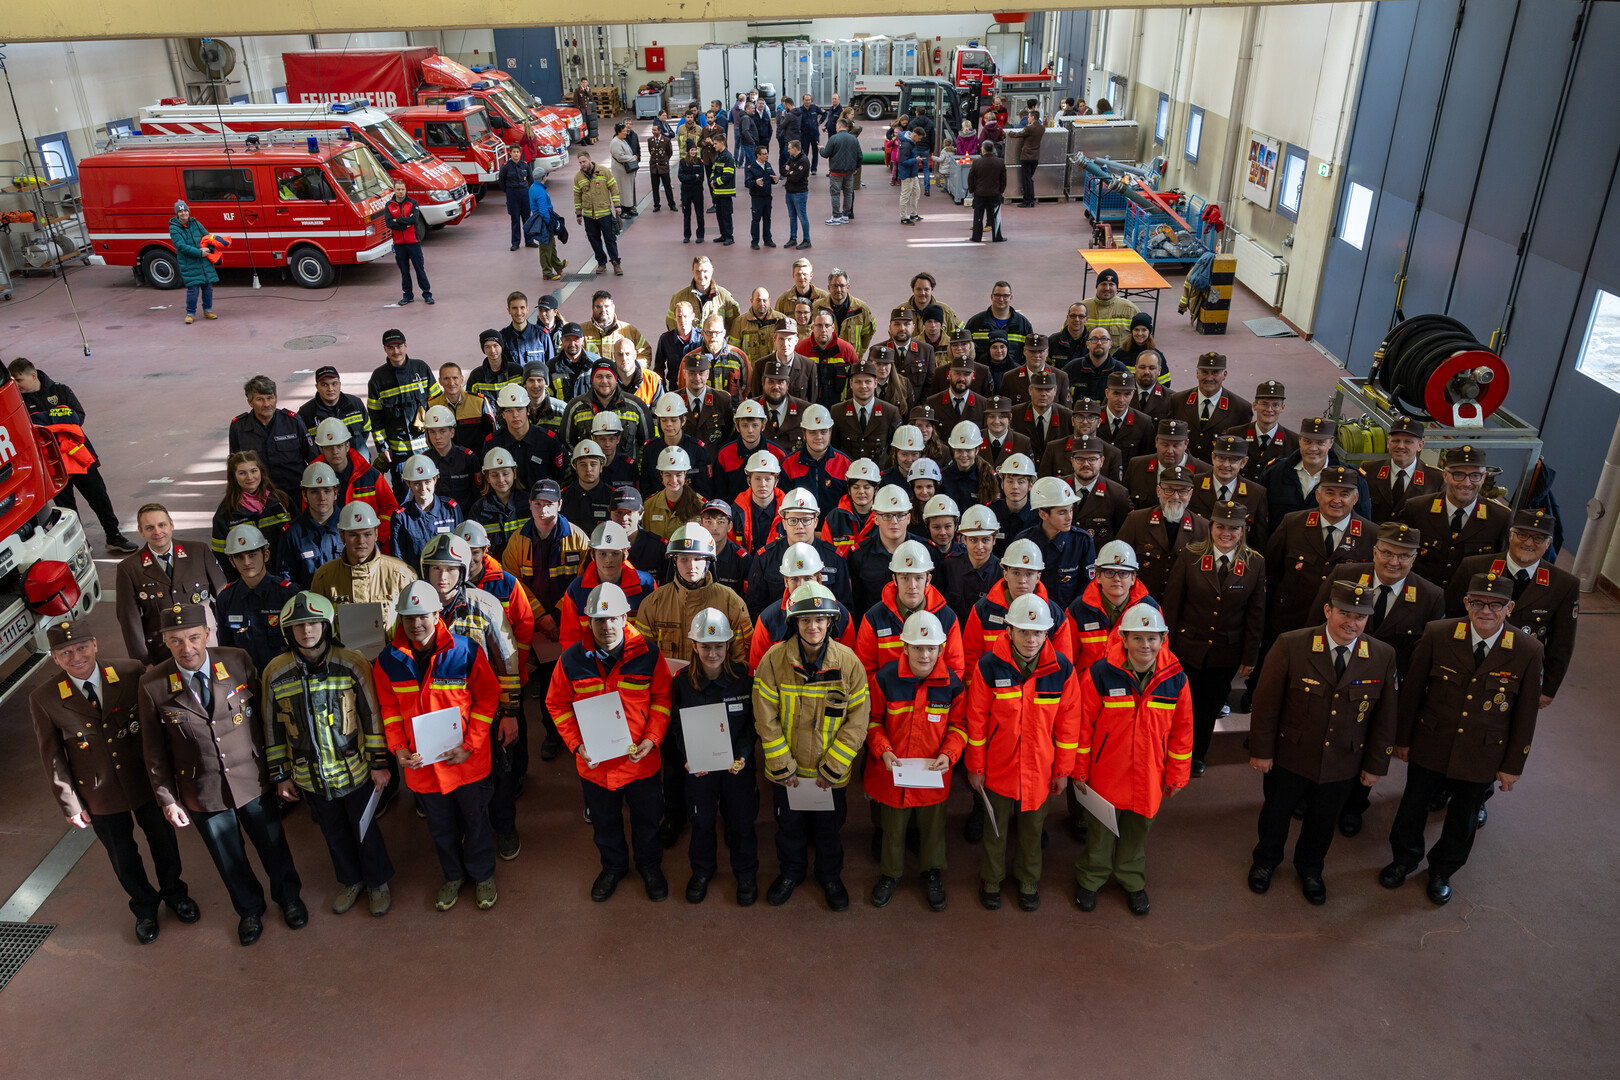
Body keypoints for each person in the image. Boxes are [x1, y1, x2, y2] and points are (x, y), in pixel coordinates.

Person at [139, 604, 304, 946]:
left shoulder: (235, 660)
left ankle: (289, 898)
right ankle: (248, 910)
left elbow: (266, 717)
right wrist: (167, 799)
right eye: (176, 641)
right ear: (165, 642)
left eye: (194, 637)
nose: (187, 648)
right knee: (228, 857)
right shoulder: (153, 685)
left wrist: (281, 769)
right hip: (203, 789)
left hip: (252, 777)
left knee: (273, 845)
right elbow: (153, 750)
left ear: (207, 635)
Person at [31, 618, 196, 944]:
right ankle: (144, 907)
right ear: (54, 658)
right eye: (65, 652)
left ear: (94, 644)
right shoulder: (45, 698)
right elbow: (52, 756)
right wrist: (69, 803)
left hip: (143, 781)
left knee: (162, 840)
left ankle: (176, 893)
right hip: (99, 792)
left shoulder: (130, 671)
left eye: (81, 647)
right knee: (122, 855)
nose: (75, 656)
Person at [1382, 571, 1543, 905]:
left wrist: (1513, 765)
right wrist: (1404, 738)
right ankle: (1403, 860)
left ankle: (1442, 871)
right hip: (1432, 741)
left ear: (1509, 607)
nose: (1485, 611)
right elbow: (1412, 692)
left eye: (1495, 604)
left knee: (1464, 817)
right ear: (1466, 603)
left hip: (1481, 753)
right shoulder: (1438, 634)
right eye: (1478, 603)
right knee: (1413, 806)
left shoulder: (1527, 649)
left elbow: (1526, 714)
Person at [1249, 580, 1399, 905]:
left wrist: (1375, 766)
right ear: (1328, 610)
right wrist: (1261, 751)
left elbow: (1385, 719)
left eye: (1360, 616)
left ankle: (1311, 869)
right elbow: (1266, 703)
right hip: (1291, 756)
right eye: (1345, 613)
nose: (1352, 623)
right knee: (1276, 813)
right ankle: (1266, 861)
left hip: (1342, 762)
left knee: (1323, 822)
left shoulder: (1382, 655)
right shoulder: (1292, 644)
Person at [262, 593, 394, 917]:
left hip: (355, 769)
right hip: (310, 777)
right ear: (287, 631)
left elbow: (372, 716)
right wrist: (280, 774)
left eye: (312, 623)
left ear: (326, 625)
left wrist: (379, 764)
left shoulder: (352, 662)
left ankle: (378, 882)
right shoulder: (275, 672)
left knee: (364, 827)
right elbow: (271, 727)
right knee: (333, 832)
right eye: (298, 625)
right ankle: (351, 880)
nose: (306, 631)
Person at [1309, 521, 1442, 836]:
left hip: (1384, 695)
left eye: (1404, 556)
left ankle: (1354, 806)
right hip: (1334, 679)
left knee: (1368, 748)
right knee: (1324, 736)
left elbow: (1425, 659)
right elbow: (1313, 626)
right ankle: (1311, 794)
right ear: (1374, 550)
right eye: (1386, 552)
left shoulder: (1429, 596)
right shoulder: (1345, 576)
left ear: (1415, 557)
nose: (1393, 562)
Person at [377, 581, 502, 912]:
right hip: (424, 767)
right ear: (400, 620)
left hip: (467, 762)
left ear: (437, 614)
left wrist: (471, 744)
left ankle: (482, 875)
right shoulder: (387, 661)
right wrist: (398, 747)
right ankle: (453, 876)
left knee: (475, 822)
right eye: (408, 617)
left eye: (423, 616)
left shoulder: (465, 651)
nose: (416, 624)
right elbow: (389, 710)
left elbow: (489, 697)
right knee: (440, 828)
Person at [548, 582, 674, 901]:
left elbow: (661, 697)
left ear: (624, 617)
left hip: (641, 762)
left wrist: (653, 738)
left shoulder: (648, 653)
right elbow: (557, 704)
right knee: (604, 822)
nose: (606, 626)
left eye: (613, 618)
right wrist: (577, 745)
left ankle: (649, 866)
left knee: (647, 820)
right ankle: (613, 867)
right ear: (588, 621)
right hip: (596, 765)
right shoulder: (571, 660)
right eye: (598, 620)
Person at [753, 583, 870, 910]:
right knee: (787, 828)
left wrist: (834, 766)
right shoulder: (773, 662)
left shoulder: (849, 664)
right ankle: (791, 872)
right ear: (793, 622)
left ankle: (830, 875)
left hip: (828, 777)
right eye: (805, 619)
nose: (813, 626)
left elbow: (858, 720)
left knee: (829, 831)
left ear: (831, 621)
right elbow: (765, 718)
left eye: (820, 619)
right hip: (787, 774)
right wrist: (782, 766)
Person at [1071, 602, 1193, 916]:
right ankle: (1091, 878)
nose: (1145, 645)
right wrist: (1080, 769)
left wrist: (1177, 774)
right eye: (1137, 638)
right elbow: (1083, 724)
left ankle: (1131, 879)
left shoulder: (1175, 677)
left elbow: (1182, 729)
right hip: (1106, 773)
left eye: (1152, 638)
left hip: (1151, 774)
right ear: (1123, 638)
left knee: (1137, 831)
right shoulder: (1100, 673)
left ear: (1163, 639)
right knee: (1100, 832)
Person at [964, 593, 1079, 912]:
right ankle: (991, 879)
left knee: (1032, 831)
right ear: (1009, 631)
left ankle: (1028, 881)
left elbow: (1069, 726)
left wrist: (1062, 771)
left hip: (1040, 769)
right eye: (1024, 631)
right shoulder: (988, 666)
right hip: (998, 766)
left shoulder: (1062, 670)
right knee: (995, 828)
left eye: (1038, 632)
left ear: (1047, 634)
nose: (1031, 639)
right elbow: (976, 719)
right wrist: (975, 766)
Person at [864, 610, 967, 912]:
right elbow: (872, 721)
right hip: (892, 773)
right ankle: (889, 874)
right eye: (918, 647)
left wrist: (949, 755)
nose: (925, 655)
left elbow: (959, 727)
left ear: (941, 649)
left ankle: (931, 873)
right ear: (904, 647)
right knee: (892, 829)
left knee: (933, 827)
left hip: (934, 776)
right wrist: (883, 749)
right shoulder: (884, 679)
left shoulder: (952, 684)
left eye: (931, 648)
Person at [1162, 502, 1266, 776]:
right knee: (1179, 704)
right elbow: (1172, 605)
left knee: (1208, 709)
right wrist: (1165, 647)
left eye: (1234, 528)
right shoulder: (1190, 556)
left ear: (1243, 531)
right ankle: (1169, 752)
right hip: (1186, 647)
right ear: (1210, 528)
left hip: (1225, 652)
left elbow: (1256, 614)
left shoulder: (1254, 563)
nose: (1226, 533)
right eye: (1220, 526)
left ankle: (1197, 754)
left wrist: (1250, 657)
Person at [669, 608, 759, 904]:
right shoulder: (681, 683)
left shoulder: (744, 679)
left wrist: (744, 755)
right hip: (700, 770)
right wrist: (688, 755)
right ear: (693, 645)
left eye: (718, 646)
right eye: (705, 646)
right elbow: (676, 726)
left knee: (742, 822)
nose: (712, 653)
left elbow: (751, 725)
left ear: (728, 645)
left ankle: (745, 874)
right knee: (701, 822)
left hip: (737, 768)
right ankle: (702, 871)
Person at [1445, 507, 1576, 708]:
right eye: (1522, 534)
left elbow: (1562, 643)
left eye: (1539, 538)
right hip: (1468, 663)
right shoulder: (1474, 567)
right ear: (1511, 534)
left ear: (1549, 543)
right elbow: (1450, 618)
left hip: (1518, 673)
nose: (1529, 543)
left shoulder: (1563, 585)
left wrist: (1548, 689)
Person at [9, 358, 140, 553]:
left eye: (19, 380)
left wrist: (42, 422)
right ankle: (80, 544)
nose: (16, 386)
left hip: (79, 457)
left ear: (33, 375)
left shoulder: (61, 391)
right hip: (52, 463)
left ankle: (114, 536)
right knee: (67, 509)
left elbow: (78, 417)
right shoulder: (16, 402)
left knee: (99, 498)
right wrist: (59, 417)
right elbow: (24, 432)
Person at [1398, 444, 1513, 590]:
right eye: (1458, 475)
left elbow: (1501, 566)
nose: (1466, 483)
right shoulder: (1417, 509)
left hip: (1468, 604)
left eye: (1475, 476)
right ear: (1445, 475)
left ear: (1484, 477)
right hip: (1420, 597)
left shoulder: (1500, 518)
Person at [309, 503, 418, 628]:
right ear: (342, 535)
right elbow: (317, 626)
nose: (361, 541)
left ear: (376, 534)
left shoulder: (401, 574)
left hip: (391, 647)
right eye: (353, 535)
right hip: (340, 648)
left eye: (367, 534)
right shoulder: (325, 576)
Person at [213, 524, 300, 673]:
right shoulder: (226, 599)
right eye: (239, 557)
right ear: (232, 562)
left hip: (286, 676)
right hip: (246, 679)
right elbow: (226, 650)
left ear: (265, 555)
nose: (246, 562)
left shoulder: (287, 594)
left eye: (252, 554)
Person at [313, 417, 401, 549]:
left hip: (367, 545)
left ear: (347, 446)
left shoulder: (369, 474)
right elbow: (310, 515)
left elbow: (389, 508)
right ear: (321, 449)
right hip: (330, 547)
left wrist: (376, 538)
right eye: (329, 447)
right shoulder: (313, 480)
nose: (335, 451)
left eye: (339, 446)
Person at [227, 375, 315, 500]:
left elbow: (314, 459)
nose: (267, 404)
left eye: (270, 398)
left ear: (276, 398)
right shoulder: (238, 427)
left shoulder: (293, 422)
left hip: (296, 494)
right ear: (250, 402)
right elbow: (234, 467)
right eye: (260, 399)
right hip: (260, 498)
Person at [367, 328, 441, 475]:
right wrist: (382, 447)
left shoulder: (421, 368)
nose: (396, 351)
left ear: (405, 345)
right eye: (390, 348)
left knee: (432, 488)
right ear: (384, 349)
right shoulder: (378, 378)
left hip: (427, 447)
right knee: (402, 495)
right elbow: (375, 418)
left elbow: (438, 403)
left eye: (399, 346)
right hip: (398, 452)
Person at [210, 451, 293, 581]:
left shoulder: (281, 501)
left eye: (254, 471)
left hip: (286, 577)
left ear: (261, 472)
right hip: (249, 581)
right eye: (242, 473)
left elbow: (299, 537)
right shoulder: (225, 514)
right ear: (234, 477)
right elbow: (221, 557)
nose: (250, 477)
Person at [1168, 353, 1254, 463]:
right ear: (1197, 373)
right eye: (1204, 372)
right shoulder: (1178, 401)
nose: (1209, 378)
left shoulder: (1240, 408)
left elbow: (1243, 449)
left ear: (1225, 374)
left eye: (1215, 373)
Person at [1361, 416, 1441, 521]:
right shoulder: (1369, 470)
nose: (1400, 446)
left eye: (1408, 442)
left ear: (1420, 445)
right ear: (1388, 442)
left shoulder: (1436, 478)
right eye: (1396, 441)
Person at [165, 199, 222, 323]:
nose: (184, 213)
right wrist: (199, 252)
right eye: (180, 211)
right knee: (193, 290)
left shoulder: (196, 223)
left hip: (204, 262)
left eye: (185, 210)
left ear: (189, 212)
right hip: (189, 263)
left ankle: (208, 311)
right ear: (177, 214)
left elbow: (208, 237)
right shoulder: (174, 229)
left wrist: (210, 248)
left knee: (208, 287)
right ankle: (190, 313)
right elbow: (181, 246)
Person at [298, 364, 372, 454]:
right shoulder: (306, 413)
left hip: (358, 461)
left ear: (339, 384)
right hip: (327, 465)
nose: (330, 389)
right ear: (317, 387)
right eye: (324, 385)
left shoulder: (355, 403)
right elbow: (304, 444)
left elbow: (366, 430)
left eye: (334, 384)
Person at [573, 150, 624, 276]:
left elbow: (614, 188)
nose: (582, 165)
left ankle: (616, 263)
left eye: (584, 161)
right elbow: (577, 196)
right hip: (589, 216)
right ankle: (601, 262)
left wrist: (617, 205)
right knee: (594, 240)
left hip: (604, 213)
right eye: (580, 163)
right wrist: (578, 213)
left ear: (590, 159)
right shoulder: (578, 178)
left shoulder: (603, 171)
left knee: (610, 239)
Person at [383, 179, 432, 305]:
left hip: (413, 243)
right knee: (404, 271)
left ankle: (427, 294)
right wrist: (404, 224)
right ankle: (407, 295)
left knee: (419, 269)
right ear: (394, 190)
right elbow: (389, 223)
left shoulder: (412, 203)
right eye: (398, 189)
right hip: (399, 244)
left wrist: (397, 221)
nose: (400, 192)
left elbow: (414, 219)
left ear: (406, 190)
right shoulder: (389, 205)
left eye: (402, 189)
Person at [526, 167, 568, 280]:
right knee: (545, 247)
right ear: (544, 177)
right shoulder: (540, 191)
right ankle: (547, 272)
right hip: (544, 220)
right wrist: (549, 223)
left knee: (551, 244)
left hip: (540, 218)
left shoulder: (533, 187)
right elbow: (543, 210)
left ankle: (558, 265)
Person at [822, 117, 862, 226]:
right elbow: (860, 156)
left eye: (836, 127)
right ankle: (845, 216)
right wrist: (855, 168)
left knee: (835, 194)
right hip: (849, 172)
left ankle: (835, 217)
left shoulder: (833, 138)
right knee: (848, 194)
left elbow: (825, 154)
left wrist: (820, 148)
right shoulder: (854, 139)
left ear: (839, 126)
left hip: (836, 172)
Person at [967, 143, 1006, 242]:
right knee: (996, 216)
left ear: (983, 150)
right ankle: (997, 237)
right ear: (992, 150)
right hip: (994, 193)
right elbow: (1003, 179)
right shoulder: (1000, 162)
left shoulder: (977, 163)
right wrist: (1001, 191)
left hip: (980, 193)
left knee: (978, 216)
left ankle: (976, 237)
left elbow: (970, 178)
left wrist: (972, 190)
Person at [743, 144, 777, 250]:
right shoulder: (751, 167)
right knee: (756, 220)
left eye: (767, 153)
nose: (767, 155)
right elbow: (747, 182)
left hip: (767, 196)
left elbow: (772, 176)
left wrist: (774, 180)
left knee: (767, 219)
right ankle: (755, 241)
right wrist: (755, 182)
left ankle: (767, 239)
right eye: (764, 154)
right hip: (757, 198)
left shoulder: (768, 165)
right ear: (758, 155)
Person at [1011, 107, 1045, 207]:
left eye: (1029, 117)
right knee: (1030, 178)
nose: (1028, 119)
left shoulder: (1029, 128)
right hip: (1035, 156)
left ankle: (1027, 201)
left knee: (1026, 179)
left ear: (1033, 118)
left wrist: (1009, 133)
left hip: (1026, 156)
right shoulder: (1042, 128)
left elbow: (1019, 134)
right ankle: (1031, 199)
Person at [781, 140, 811, 250]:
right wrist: (790, 172)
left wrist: (789, 173)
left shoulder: (803, 161)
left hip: (799, 193)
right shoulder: (792, 158)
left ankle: (807, 240)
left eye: (789, 148)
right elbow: (783, 170)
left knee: (802, 216)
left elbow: (796, 178)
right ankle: (793, 238)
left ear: (795, 149)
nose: (788, 150)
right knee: (792, 216)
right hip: (789, 192)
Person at [500, 154, 534, 251]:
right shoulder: (506, 166)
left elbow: (530, 179)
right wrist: (508, 190)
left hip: (524, 193)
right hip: (512, 194)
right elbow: (501, 181)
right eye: (514, 151)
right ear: (510, 153)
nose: (516, 154)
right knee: (515, 219)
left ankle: (529, 240)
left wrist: (525, 188)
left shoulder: (525, 165)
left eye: (517, 152)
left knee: (527, 218)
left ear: (520, 153)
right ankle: (515, 242)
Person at [678, 143, 707, 242]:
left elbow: (701, 178)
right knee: (686, 214)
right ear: (688, 151)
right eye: (691, 150)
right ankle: (687, 235)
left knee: (699, 213)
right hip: (686, 192)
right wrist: (694, 176)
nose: (694, 152)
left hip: (697, 191)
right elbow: (681, 177)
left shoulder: (700, 162)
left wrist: (689, 178)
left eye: (695, 150)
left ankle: (700, 236)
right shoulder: (682, 162)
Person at [648, 122, 675, 212]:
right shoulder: (650, 140)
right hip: (654, 168)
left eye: (655, 130)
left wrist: (664, 160)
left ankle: (671, 204)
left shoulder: (666, 140)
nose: (653, 132)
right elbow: (650, 151)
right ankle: (656, 204)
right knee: (655, 187)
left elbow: (669, 153)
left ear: (659, 131)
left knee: (667, 186)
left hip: (663, 167)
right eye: (652, 130)